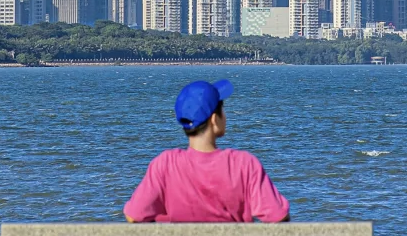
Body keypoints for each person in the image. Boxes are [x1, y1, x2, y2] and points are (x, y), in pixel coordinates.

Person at [123, 79, 290, 224]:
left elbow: (134, 216)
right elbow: (278, 217)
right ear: (214, 120)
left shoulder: (165, 164)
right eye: (222, 110)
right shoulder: (244, 164)